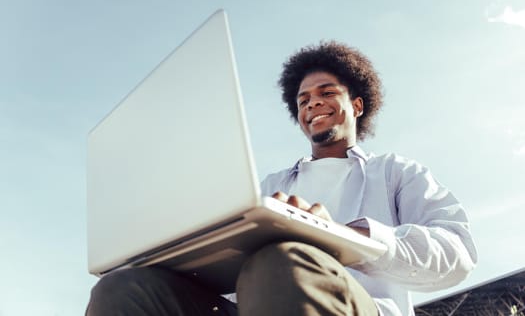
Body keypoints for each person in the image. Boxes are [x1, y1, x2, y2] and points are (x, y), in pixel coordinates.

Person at [86, 41, 477, 316]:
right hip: (254, 303)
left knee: (280, 263)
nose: (313, 104)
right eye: (303, 100)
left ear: (356, 105)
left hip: (358, 306)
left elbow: (458, 251)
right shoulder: (271, 186)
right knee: (122, 289)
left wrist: (350, 236)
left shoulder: (395, 172)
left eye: (326, 93)